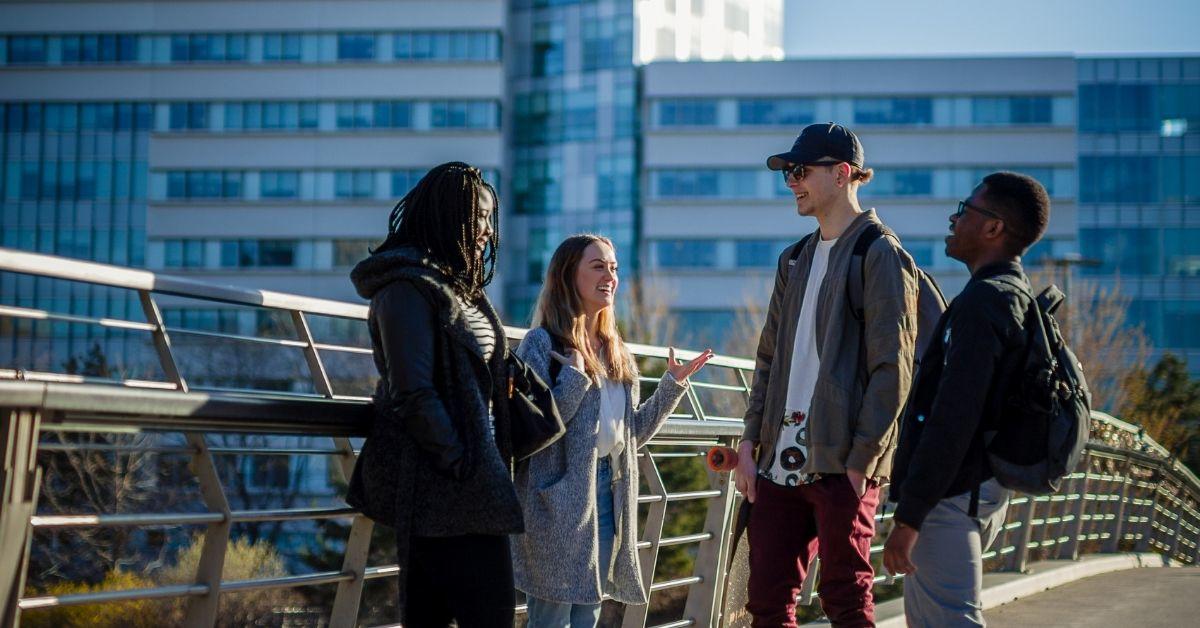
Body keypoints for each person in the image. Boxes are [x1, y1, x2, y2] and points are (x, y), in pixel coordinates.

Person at [735, 122, 921, 627]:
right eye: (788, 173)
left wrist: (862, 462)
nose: (791, 181)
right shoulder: (793, 259)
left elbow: (893, 370)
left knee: (846, 600)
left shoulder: (880, 254)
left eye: (800, 171)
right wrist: (751, 444)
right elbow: (768, 360)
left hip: (842, 464)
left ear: (842, 174)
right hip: (777, 461)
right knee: (767, 603)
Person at [345, 162, 521, 627]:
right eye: (479, 217)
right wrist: (460, 463)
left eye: (488, 219)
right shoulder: (405, 289)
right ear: (448, 216)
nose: (486, 230)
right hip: (442, 489)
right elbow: (412, 391)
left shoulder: (458, 288)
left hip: (470, 485)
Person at [511, 234, 713, 628]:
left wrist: (671, 386)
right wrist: (573, 376)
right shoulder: (540, 343)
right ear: (569, 275)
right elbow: (535, 428)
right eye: (598, 266)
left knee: (589, 612)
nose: (610, 276)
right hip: (556, 497)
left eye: (614, 267)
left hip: (608, 491)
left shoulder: (614, 346)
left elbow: (630, 433)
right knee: (551, 616)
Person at [883, 172, 1050, 627]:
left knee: (949, 620)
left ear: (994, 228)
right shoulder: (1013, 297)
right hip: (976, 491)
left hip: (951, 497)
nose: (954, 220)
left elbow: (954, 417)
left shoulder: (984, 303)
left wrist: (911, 517)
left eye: (965, 211)